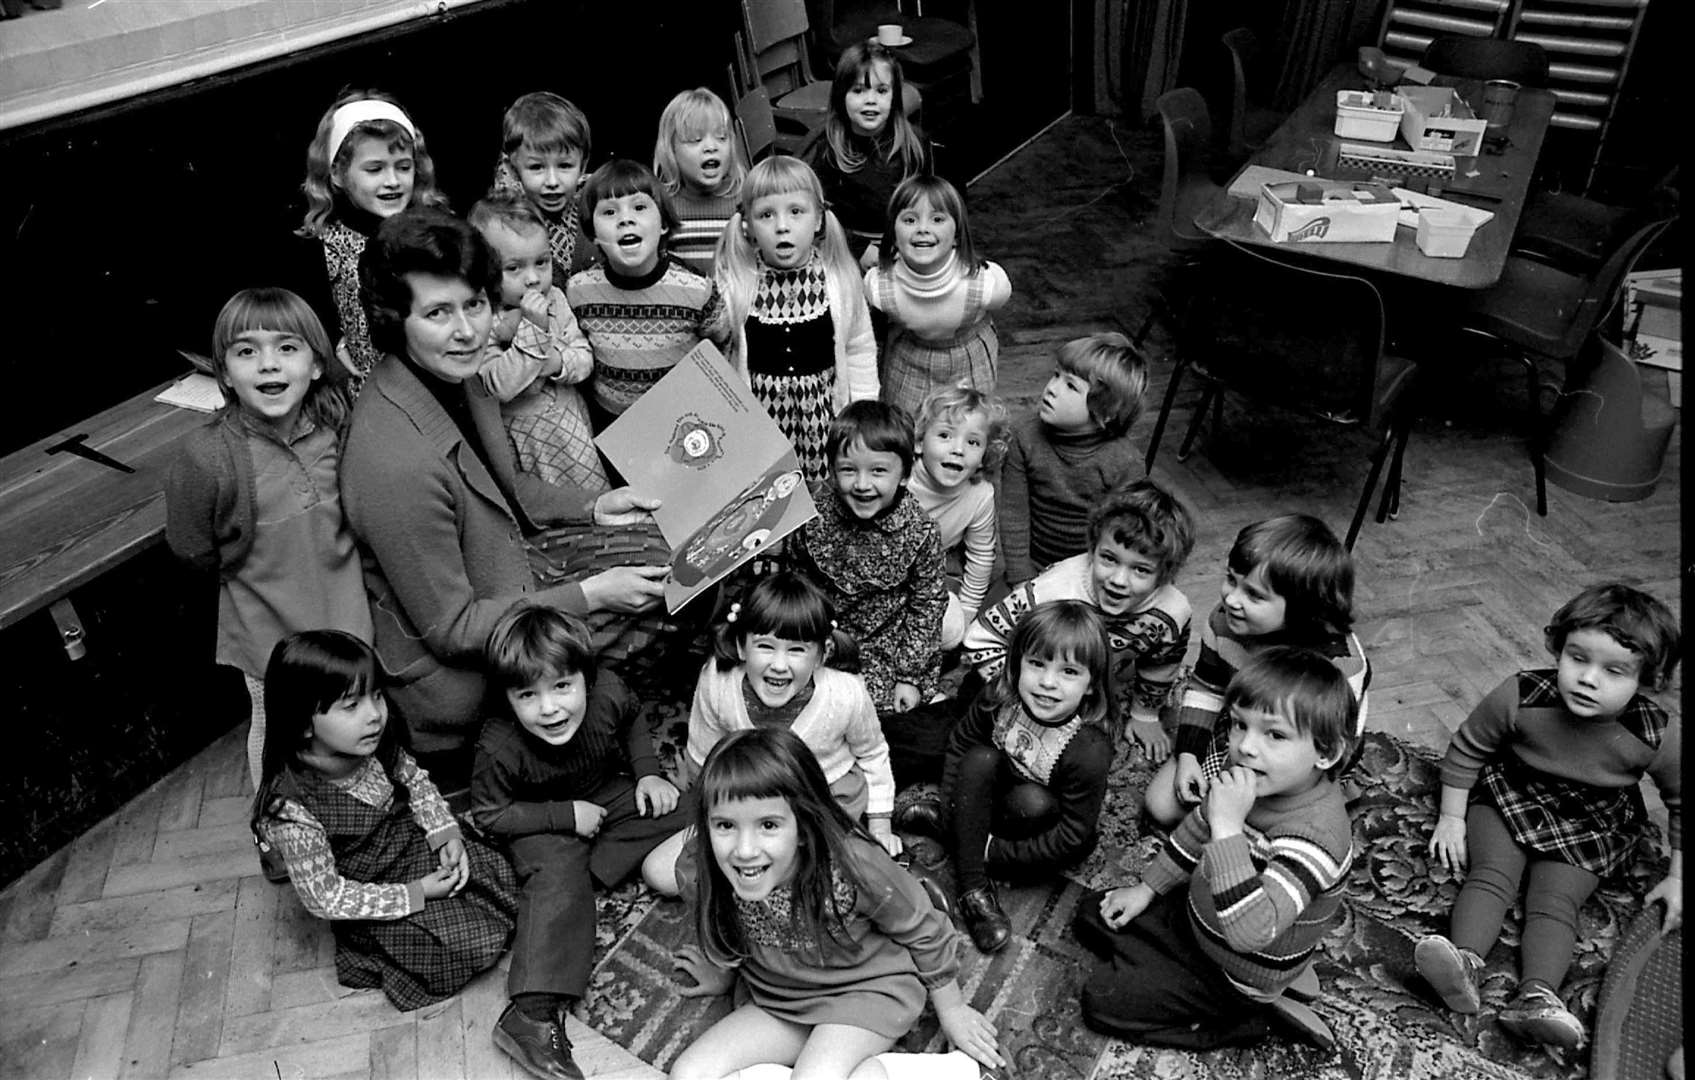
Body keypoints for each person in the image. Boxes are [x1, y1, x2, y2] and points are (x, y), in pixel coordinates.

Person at [340, 206, 671, 783]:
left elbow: (505, 488)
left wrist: (593, 506)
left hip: (514, 571)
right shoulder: (393, 460)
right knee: (657, 588)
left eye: (474, 304)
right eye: (438, 313)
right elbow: (455, 628)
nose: (467, 330)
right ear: (396, 321)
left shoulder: (454, 374)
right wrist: (592, 595)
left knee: (671, 542)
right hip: (461, 665)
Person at [1415, 584, 1682, 1051]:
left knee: (1555, 903)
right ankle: (1465, 964)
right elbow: (1467, 748)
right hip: (1510, 798)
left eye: (1614, 670)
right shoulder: (1521, 693)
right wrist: (1452, 818)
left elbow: (1682, 802)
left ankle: (1537, 998)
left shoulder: (1657, 733)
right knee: (1490, 875)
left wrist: (1679, 876)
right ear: (1559, 648)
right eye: (1577, 658)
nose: (1588, 678)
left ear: (1647, 679)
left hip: (1591, 826)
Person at [668, 727, 1003, 1080]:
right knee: (688, 1074)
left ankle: (939, 1072)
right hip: (781, 999)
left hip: (868, 992)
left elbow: (924, 929)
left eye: (768, 825)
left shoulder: (853, 867)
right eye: (725, 825)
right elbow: (721, 922)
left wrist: (952, 1012)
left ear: (803, 824)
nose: (745, 849)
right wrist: (724, 970)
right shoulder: (701, 868)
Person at [1074, 647, 1357, 1049]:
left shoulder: (1315, 836)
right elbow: (1195, 830)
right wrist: (1147, 889)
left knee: (1102, 1001)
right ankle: (1156, 962)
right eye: (1240, 725)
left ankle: (1237, 1025)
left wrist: (1228, 827)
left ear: (1326, 753)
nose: (1245, 746)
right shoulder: (1248, 772)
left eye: (1274, 734)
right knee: (1092, 914)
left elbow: (1250, 933)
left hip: (1238, 971)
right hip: (1200, 920)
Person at [164, 288, 372, 797]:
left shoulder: (335, 424)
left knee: (348, 723)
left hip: (347, 620)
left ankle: (354, 816)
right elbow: (192, 547)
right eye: (246, 351)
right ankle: (274, 827)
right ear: (224, 372)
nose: (267, 365)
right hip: (268, 639)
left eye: (286, 347)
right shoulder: (208, 456)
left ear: (317, 364)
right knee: (276, 731)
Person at [471, 603, 692, 1080]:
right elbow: (490, 814)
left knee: (689, 808)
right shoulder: (499, 744)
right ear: (507, 699)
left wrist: (648, 775)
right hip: (537, 819)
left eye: (562, 687)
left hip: (600, 794)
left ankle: (585, 878)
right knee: (554, 873)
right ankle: (529, 1016)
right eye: (527, 694)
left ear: (586, 680)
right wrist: (564, 817)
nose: (549, 708)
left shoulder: (609, 691)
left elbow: (633, 717)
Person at [251, 631, 517, 1012]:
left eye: (376, 695)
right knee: (456, 947)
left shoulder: (376, 745)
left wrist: (445, 835)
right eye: (350, 705)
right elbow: (327, 898)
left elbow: (416, 782)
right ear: (303, 723)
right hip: (375, 894)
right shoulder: (291, 809)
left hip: (411, 851)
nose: (375, 714)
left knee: (497, 875)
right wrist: (417, 893)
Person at [915, 601, 1117, 954]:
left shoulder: (1089, 748)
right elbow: (962, 744)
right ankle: (972, 888)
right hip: (989, 791)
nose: (1048, 683)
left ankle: (958, 839)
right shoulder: (1000, 694)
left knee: (1036, 804)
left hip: (1033, 822)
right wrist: (951, 804)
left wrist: (994, 852)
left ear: (1090, 685)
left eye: (1069, 672)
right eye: (1036, 664)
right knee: (979, 757)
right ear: (1016, 664)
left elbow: (1072, 834)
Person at [1144, 514, 1370, 828]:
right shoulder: (1225, 620)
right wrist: (1189, 755)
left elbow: (1336, 745)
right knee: (1161, 805)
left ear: (1303, 607)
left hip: (1299, 753)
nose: (1231, 599)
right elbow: (1207, 687)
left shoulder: (1342, 667)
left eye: (1254, 595)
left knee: (1267, 828)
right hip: (1244, 726)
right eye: (1231, 579)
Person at [959, 479, 1195, 763]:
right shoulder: (1052, 592)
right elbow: (981, 637)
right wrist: (1016, 691)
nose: (1119, 580)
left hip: (1087, 686)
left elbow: (1162, 660)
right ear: (1092, 548)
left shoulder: (1174, 610)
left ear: (1166, 574)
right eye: (1109, 558)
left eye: (1141, 570)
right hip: (1031, 680)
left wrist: (1145, 714)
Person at [682, 571, 900, 857]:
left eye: (796, 650)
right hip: (750, 796)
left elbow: (872, 753)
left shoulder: (845, 695)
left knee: (811, 866)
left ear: (822, 654)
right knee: (664, 873)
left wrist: (881, 825)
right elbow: (704, 753)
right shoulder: (718, 681)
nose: (779, 665)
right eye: (765, 647)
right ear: (740, 646)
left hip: (825, 799)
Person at [789, 401, 948, 783]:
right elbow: (796, 584)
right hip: (823, 642)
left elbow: (927, 605)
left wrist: (909, 675)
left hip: (885, 651)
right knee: (801, 716)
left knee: (900, 732)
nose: (862, 485)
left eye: (878, 471)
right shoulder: (812, 516)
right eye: (848, 471)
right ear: (832, 470)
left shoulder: (921, 532)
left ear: (905, 474)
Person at [713, 156, 879, 482]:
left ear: (818, 219)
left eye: (796, 212)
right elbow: (719, 358)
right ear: (746, 225)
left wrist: (862, 413)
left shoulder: (839, 280)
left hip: (823, 418)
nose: (782, 226)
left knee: (821, 500)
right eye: (766, 215)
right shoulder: (736, 284)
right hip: (761, 421)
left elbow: (859, 348)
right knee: (769, 499)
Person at [296, 90, 446, 395]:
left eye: (403, 167)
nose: (392, 181)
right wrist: (333, 345)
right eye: (375, 169)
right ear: (337, 172)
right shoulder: (323, 245)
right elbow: (311, 319)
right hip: (366, 394)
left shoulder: (435, 233)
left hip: (434, 382)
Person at [566, 159, 729, 425]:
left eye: (639, 207)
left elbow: (723, 339)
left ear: (664, 223)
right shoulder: (579, 291)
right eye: (609, 212)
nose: (626, 219)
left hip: (683, 421)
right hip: (612, 423)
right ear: (592, 233)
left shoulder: (697, 290)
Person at [469, 195, 606, 494]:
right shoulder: (484, 316)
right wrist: (533, 329)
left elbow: (583, 356)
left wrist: (556, 363)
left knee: (589, 499)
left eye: (541, 262)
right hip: (524, 438)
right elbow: (498, 387)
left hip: (570, 429)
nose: (533, 279)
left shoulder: (555, 298)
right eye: (514, 268)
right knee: (541, 509)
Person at [998, 333, 1148, 587]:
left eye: (1071, 386)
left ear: (1106, 410)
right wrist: (1021, 578)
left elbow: (1121, 537)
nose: (1052, 389)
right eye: (1056, 375)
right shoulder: (1024, 435)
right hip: (1033, 566)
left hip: (1089, 571)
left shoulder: (1125, 462)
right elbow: (1014, 513)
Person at [865, 175, 1012, 418]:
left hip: (968, 354)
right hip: (909, 355)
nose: (923, 229)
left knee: (968, 424)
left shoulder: (986, 285)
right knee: (905, 424)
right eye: (910, 220)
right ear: (893, 233)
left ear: (956, 234)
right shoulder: (878, 287)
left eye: (937, 219)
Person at [807, 41, 933, 268]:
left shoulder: (915, 144)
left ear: (895, 96)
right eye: (858, 90)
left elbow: (934, 203)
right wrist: (858, 249)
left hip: (908, 248)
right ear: (841, 95)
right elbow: (819, 215)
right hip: (851, 253)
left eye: (882, 90)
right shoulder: (829, 151)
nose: (871, 100)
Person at [906, 385, 1008, 648]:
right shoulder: (901, 479)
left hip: (936, 568)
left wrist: (967, 611)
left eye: (972, 442)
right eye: (945, 435)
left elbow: (981, 556)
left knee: (948, 634)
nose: (958, 449)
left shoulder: (980, 495)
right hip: (884, 565)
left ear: (985, 455)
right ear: (919, 442)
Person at [489, 91, 595, 279]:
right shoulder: (502, 225)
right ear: (513, 169)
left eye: (565, 166)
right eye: (537, 167)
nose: (552, 182)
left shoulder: (597, 209)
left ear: (583, 165)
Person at [653, 87, 746, 278]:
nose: (711, 147)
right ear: (671, 150)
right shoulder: (662, 207)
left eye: (722, 137)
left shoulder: (747, 201)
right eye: (695, 140)